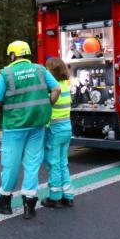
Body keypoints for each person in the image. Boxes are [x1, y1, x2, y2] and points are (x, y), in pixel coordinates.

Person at [0, 41, 61, 219]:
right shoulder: (41, 70)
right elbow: (56, 89)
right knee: (32, 164)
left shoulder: (6, 74)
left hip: (15, 126)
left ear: (12, 55)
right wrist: (48, 104)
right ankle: (29, 204)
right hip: (37, 124)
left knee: (11, 164)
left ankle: (4, 201)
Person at [41, 57, 74, 208]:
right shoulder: (66, 85)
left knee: (53, 164)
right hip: (66, 128)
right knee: (63, 163)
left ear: (52, 72)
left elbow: (46, 106)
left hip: (54, 130)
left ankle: (55, 197)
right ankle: (68, 196)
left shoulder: (54, 89)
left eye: (47, 70)